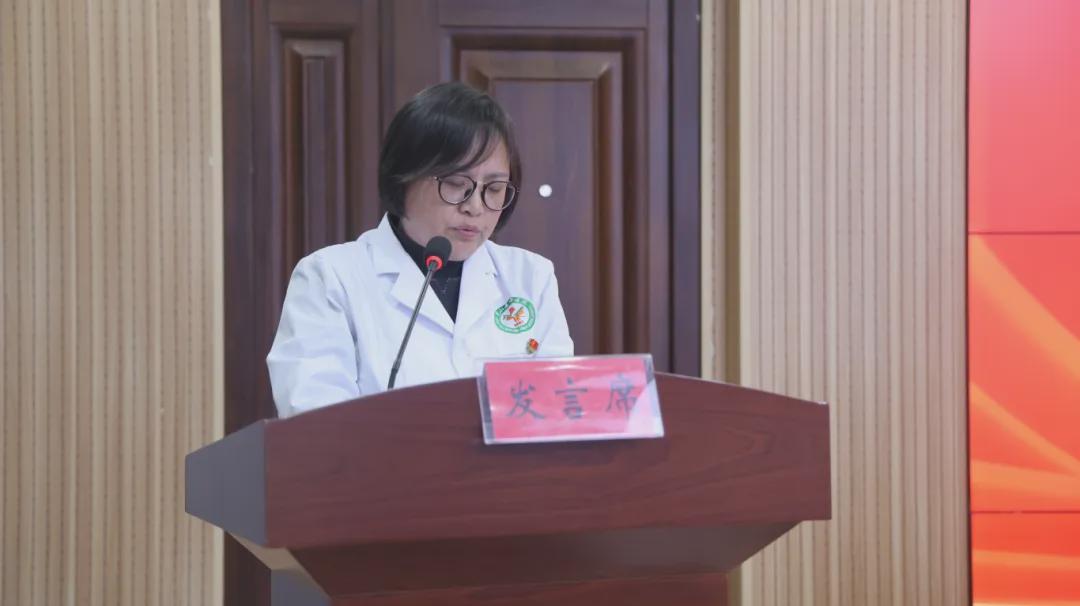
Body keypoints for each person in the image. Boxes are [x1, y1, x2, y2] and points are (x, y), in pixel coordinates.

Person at [267, 82, 574, 418]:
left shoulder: (530, 277)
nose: (475, 207)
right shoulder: (331, 278)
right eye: (456, 184)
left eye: (494, 188)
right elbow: (315, 423)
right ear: (403, 178)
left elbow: (558, 412)